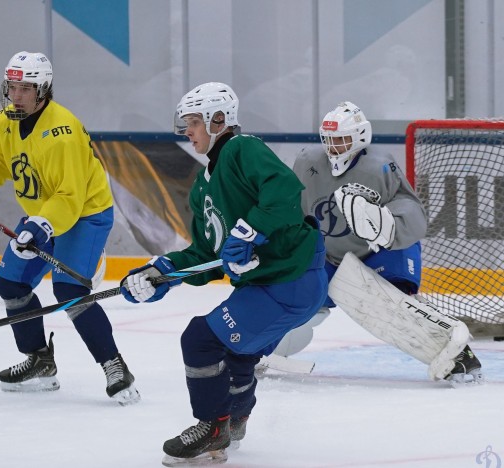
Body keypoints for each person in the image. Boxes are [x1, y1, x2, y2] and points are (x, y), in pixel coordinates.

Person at [120, 82, 328, 466]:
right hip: (269, 285)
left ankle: (211, 426)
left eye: (194, 122)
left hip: (291, 279)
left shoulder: (242, 148)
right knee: (237, 351)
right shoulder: (202, 187)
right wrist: (160, 272)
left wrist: (250, 230)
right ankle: (235, 419)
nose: (188, 131)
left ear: (219, 120)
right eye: (187, 123)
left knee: (200, 339)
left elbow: (284, 191)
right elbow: (205, 255)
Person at [0, 51, 140, 405]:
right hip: (46, 212)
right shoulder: (4, 121)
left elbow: (70, 197)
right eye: (12, 87)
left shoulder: (62, 133)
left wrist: (41, 226)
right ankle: (39, 359)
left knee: (69, 291)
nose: (16, 95)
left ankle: (114, 365)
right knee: (11, 284)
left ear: (43, 90)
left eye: (25, 88)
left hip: (84, 214)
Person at [272, 101, 482, 384]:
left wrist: (388, 224)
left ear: (360, 137)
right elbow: (291, 206)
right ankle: (258, 349)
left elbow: (411, 209)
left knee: (393, 305)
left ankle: (459, 358)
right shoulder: (307, 161)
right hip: (329, 255)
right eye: (329, 140)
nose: (334, 147)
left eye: (342, 139)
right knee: (296, 300)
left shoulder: (379, 165)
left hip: (379, 252)